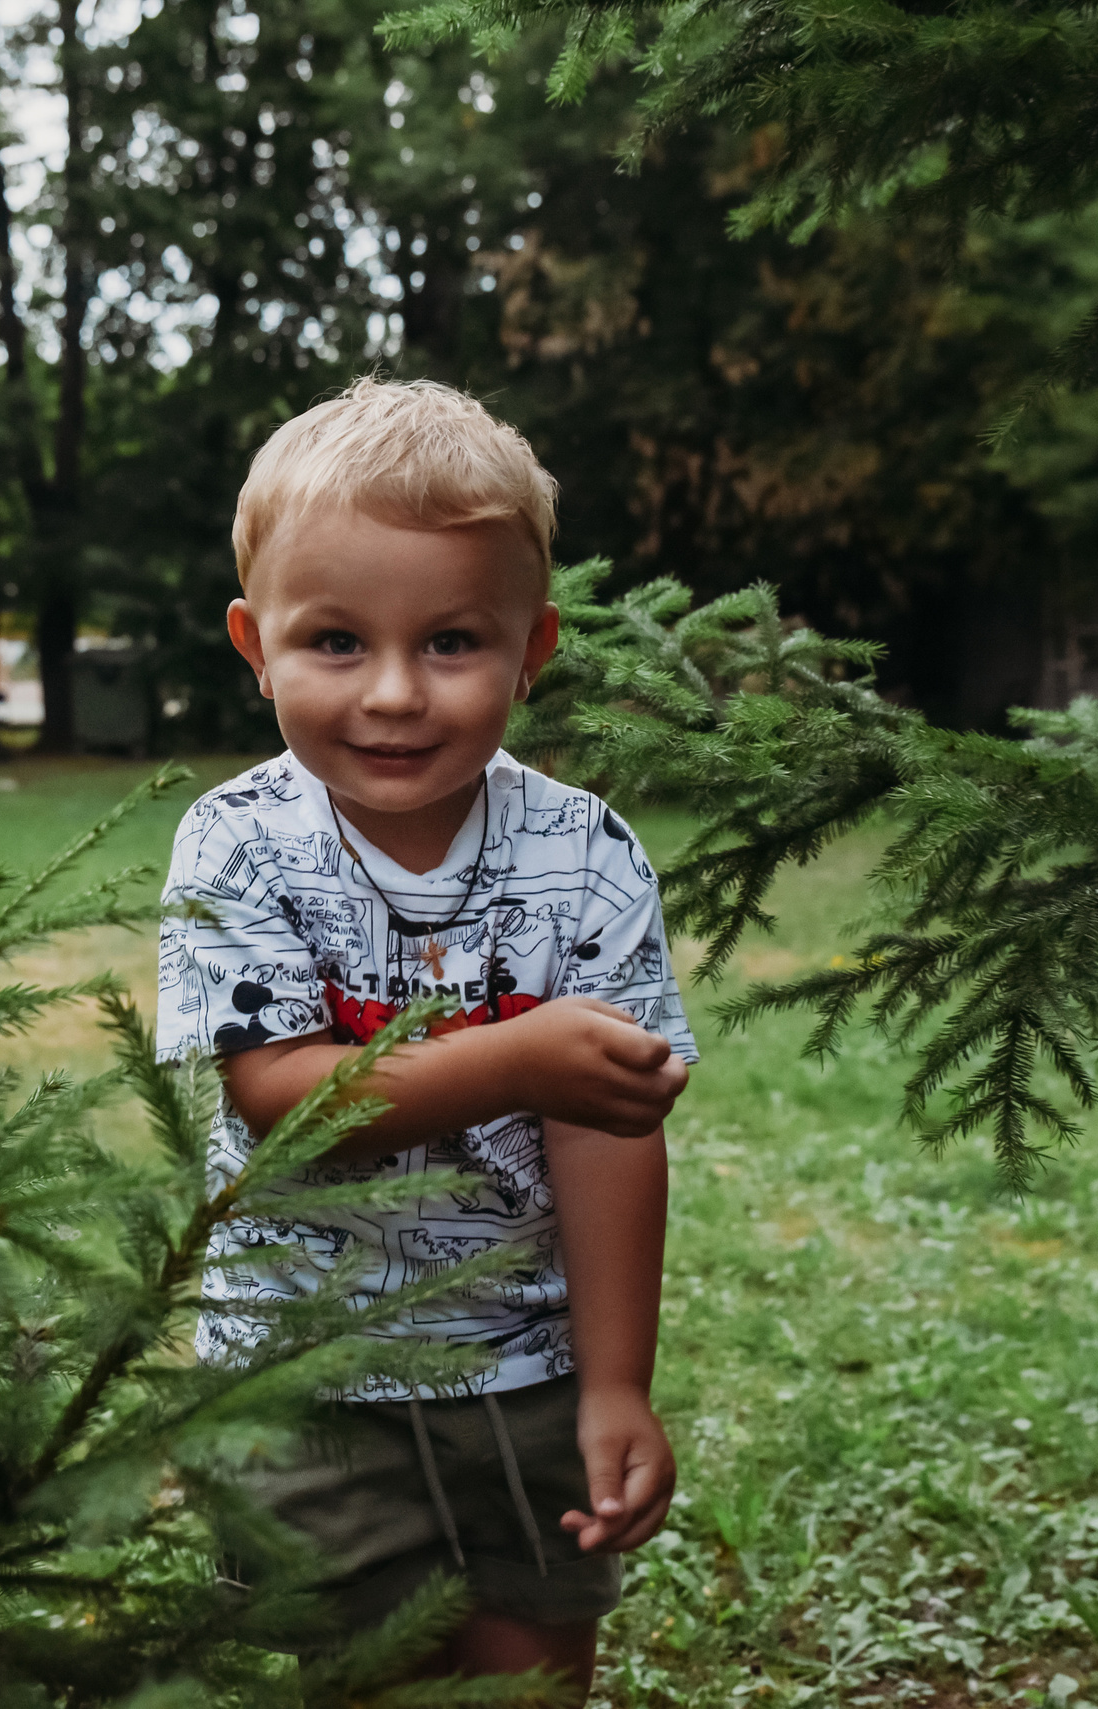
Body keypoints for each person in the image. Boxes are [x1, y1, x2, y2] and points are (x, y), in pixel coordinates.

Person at [155, 377, 697, 1697]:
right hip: (304, 1375)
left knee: (532, 1666)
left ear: (532, 646)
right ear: (255, 643)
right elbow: (280, 1095)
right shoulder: (238, 841)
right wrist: (517, 1057)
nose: (395, 693)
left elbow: (610, 1125)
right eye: (336, 641)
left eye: (452, 641)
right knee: (362, 1674)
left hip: (526, 1366)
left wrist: (615, 1385)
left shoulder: (585, 852)